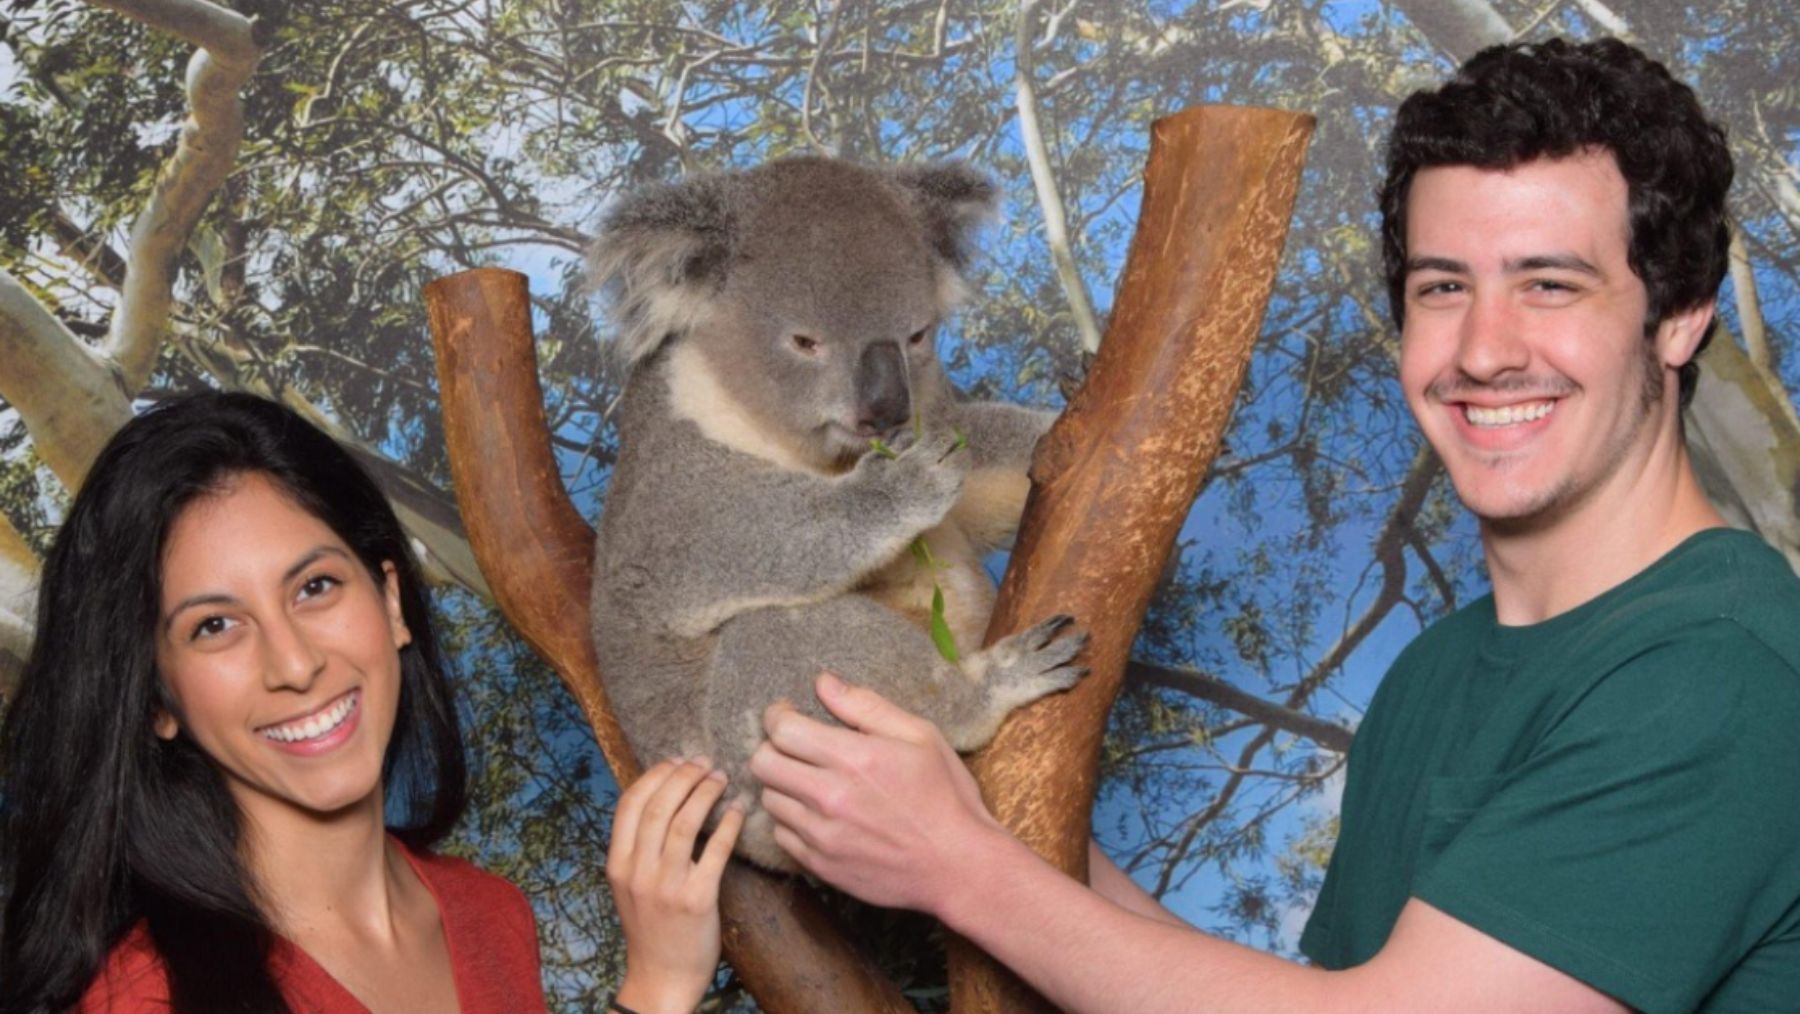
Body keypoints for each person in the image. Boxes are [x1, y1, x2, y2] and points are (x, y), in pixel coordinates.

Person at [749, 37, 1800, 1014]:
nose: (1483, 350)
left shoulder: (1724, 669)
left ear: (1679, 318)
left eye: (1549, 284)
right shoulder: (1437, 674)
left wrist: (960, 870)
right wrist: (984, 826)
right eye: (1444, 287)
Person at [0, 391, 739, 1014]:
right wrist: (656, 991)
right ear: (157, 697)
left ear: (389, 601)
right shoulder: (141, 998)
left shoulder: (489, 913)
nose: (294, 664)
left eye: (315, 586)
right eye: (214, 626)